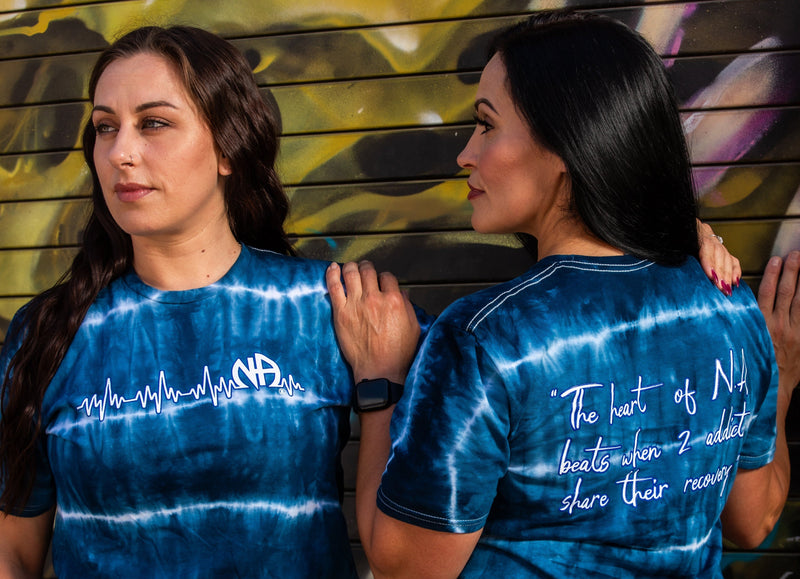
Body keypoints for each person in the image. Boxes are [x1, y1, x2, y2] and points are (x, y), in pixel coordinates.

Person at [326, 10, 798, 578]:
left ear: (566, 144)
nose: (465, 154)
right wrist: (783, 372)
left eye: (487, 124)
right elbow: (754, 521)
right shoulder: (731, 307)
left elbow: (407, 568)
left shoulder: (488, 339)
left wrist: (384, 383)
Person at [0, 26, 360, 578]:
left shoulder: (328, 309)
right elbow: (12, 549)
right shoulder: (49, 333)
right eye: (105, 128)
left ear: (227, 145)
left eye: (155, 123)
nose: (120, 152)